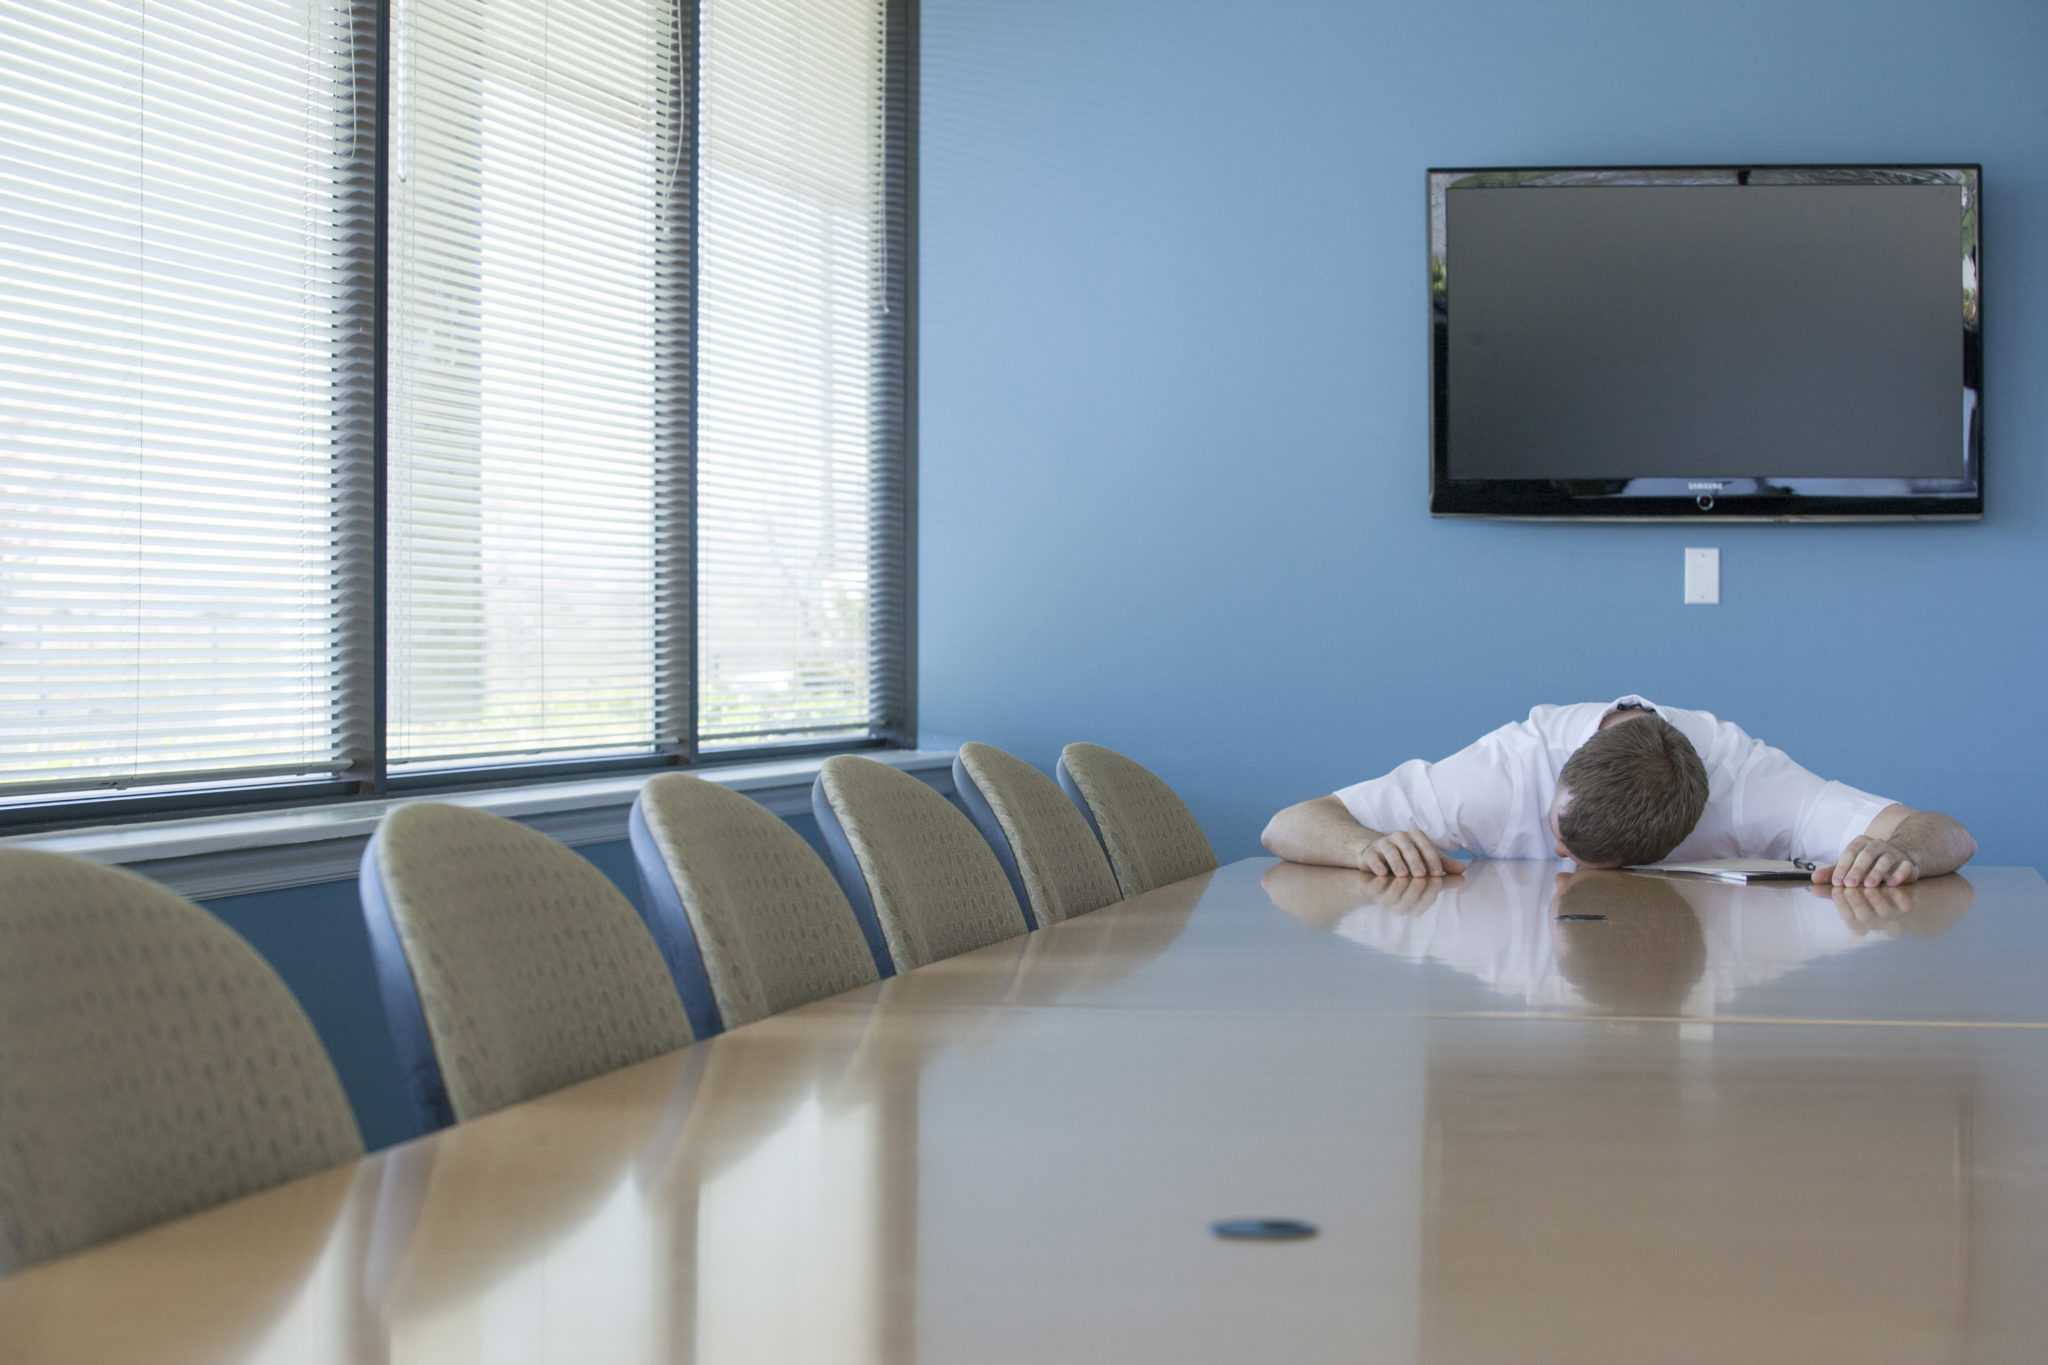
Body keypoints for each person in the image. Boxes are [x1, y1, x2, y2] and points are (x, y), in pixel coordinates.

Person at [1261, 695, 1976, 887]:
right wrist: (1364, 845)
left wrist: (1899, 853)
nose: (1570, 871)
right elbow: (1290, 824)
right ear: (1563, 774)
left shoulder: (1748, 780)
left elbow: (1947, 831)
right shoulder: (1509, 769)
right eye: (1559, 840)